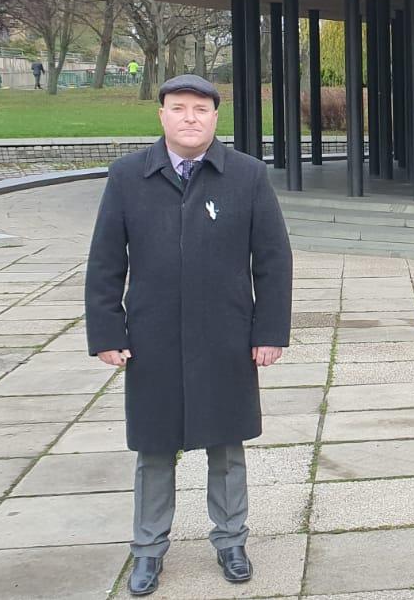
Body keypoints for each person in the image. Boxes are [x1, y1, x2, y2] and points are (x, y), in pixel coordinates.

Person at [85, 73, 292, 596]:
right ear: (162, 115)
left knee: (226, 444)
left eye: (200, 109)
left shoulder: (245, 176)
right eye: (179, 108)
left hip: (226, 334)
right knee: (154, 448)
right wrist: (107, 330)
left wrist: (269, 331)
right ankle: (148, 550)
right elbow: (106, 261)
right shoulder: (129, 176)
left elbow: (272, 260)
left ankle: (231, 540)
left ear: (215, 117)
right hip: (151, 337)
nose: (190, 117)